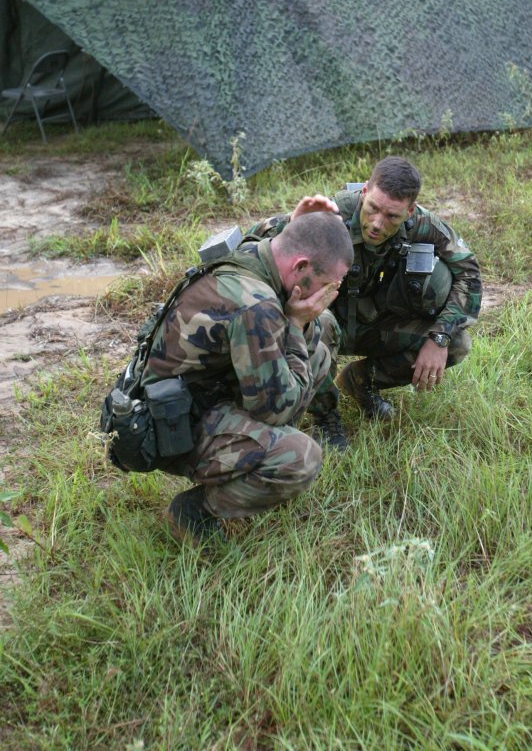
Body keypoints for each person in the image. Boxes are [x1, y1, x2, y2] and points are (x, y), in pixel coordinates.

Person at [102, 211, 353, 544]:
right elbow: (277, 411)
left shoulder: (256, 252)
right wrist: (293, 325)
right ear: (301, 266)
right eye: (325, 287)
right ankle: (195, 511)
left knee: (321, 329)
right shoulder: (255, 306)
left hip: (199, 390)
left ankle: (264, 449)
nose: (325, 296)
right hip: (168, 428)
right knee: (300, 458)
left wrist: (302, 325)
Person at [243, 156, 482, 450]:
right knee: (323, 325)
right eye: (373, 209)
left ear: (409, 211)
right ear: (365, 192)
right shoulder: (331, 216)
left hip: (374, 324)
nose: (378, 224)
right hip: (322, 323)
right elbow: (258, 240)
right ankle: (325, 415)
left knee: (457, 343)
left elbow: (468, 271)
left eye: (392, 217)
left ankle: (360, 382)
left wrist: (440, 336)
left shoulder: (421, 223)